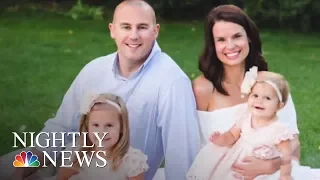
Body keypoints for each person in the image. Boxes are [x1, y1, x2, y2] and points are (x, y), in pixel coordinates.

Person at [0, 0, 200, 180]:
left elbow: (181, 157)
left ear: (155, 31)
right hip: (67, 167)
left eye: (142, 27)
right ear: (112, 30)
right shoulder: (94, 69)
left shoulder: (172, 82)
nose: (134, 35)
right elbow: (60, 130)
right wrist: (24, 167)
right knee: (8, 167)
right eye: (126, 27)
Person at [191, 4, 319, 180]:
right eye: (221, 39)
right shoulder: (202, 89)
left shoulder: (270, 84)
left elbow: (293, 145)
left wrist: (272, 165)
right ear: (213, 44)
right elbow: (189, 148)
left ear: (249, 37)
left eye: (237, 36)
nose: (231, 46)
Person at [187, 68, 316, 180]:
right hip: (235, 167)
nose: (259, 101)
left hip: (264, 173)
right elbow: (232, 135)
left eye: (267, 98)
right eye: (255, 96)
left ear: (279, 106)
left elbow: (287, 156)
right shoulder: (246, 119)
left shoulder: (279, 129)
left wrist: (285, 175)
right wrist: (221, 139)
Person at [57, 93, 149, 180]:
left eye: (109, 125)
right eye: (95, 125)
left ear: (122, 127)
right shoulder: (76, 154)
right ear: (87, 126)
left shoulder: (131, 161)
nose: (101, 132)